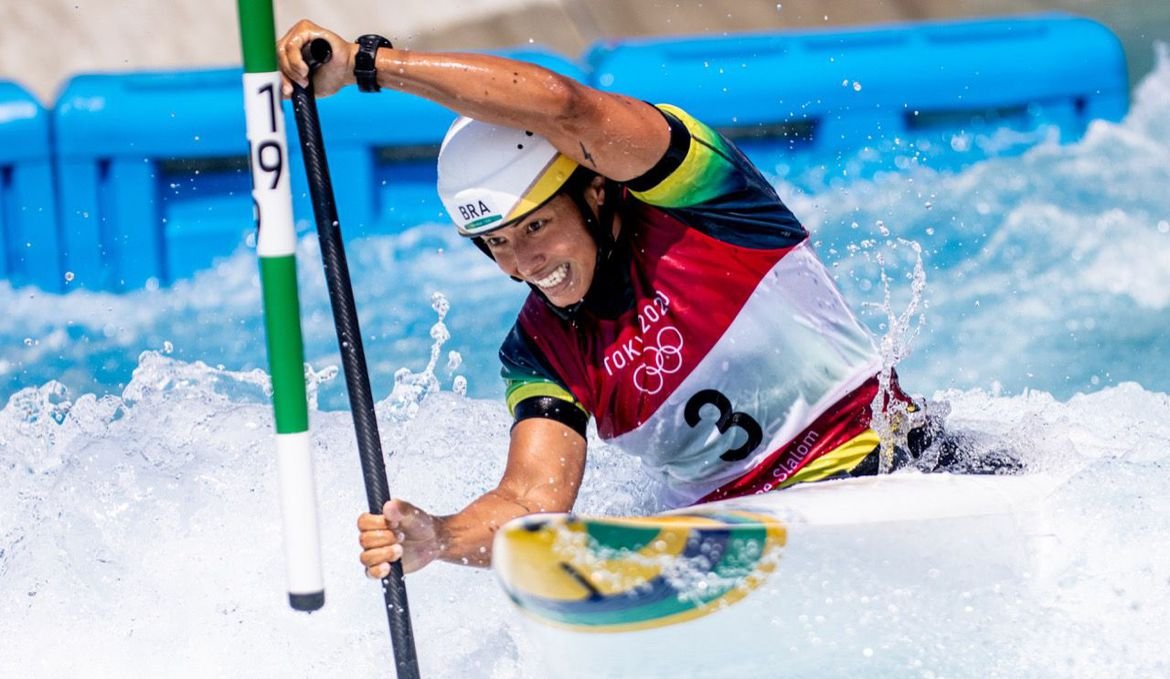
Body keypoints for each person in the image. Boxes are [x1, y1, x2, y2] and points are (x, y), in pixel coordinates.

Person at [276, 20, 1016, 579]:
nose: (526, 261)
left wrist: (372, 65)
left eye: (537, 226)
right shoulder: (539, 350)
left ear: (595, 191)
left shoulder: (703, 198)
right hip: (745, 549)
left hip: (901, 470)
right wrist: (438, 537)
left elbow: (565, 103)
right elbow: (533, 501)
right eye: (500, 243)